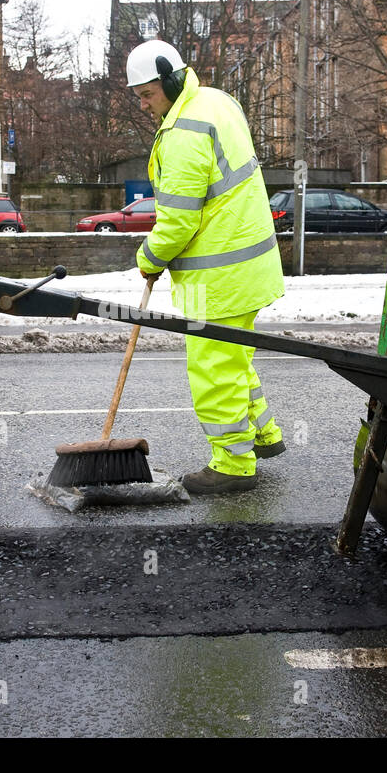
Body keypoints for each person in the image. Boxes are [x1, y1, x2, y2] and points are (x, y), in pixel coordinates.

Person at [127, 39, 285, 495]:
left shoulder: (185, 131)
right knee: (235, 358)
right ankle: (263, 435)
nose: (143, 105)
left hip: (220, 278)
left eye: (147, 94)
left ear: (172, 80)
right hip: (250, 266)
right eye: (138, 95)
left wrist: (148, 258)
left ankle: (233, 465)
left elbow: (177, 220)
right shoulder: (217, 100)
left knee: (214, 368)